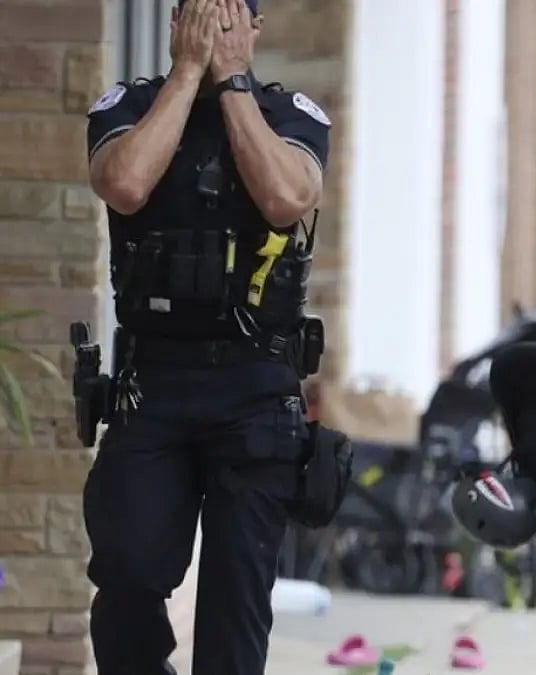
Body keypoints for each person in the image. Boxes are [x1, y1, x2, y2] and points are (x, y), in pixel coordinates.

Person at [81, 0, 331, 673]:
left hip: (255, 388)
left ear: (254, 30)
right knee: (127, 571)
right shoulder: (132, 106)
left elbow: (284, 197)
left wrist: (232, 83)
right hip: (153, 385)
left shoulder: (289, 116)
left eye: (227, 20)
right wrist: (188, 74)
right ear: (173, 26)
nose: (212, 33)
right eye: (198, 16)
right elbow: (124, 184)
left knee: (234, 609)